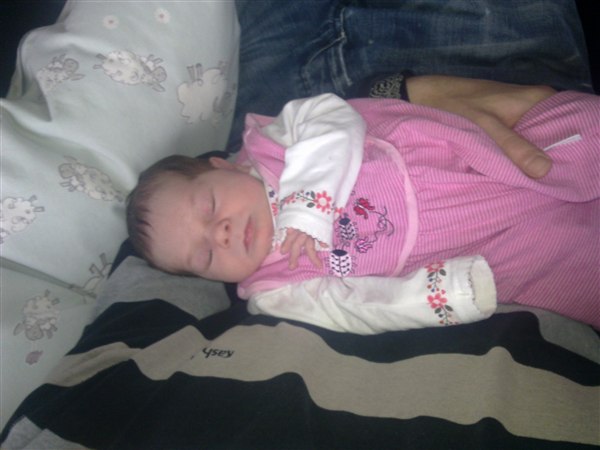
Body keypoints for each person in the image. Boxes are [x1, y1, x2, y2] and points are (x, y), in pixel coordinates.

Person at [127, 79, 599, 333]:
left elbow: (331, 116)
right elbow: (354, 309)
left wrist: (307, 209)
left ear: (221, 165)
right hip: (490, 250)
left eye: (209, 207)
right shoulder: (274, 291)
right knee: (578, 272)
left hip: (465, 160)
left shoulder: (274, 143)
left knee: (577, 138)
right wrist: (445, 295)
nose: (221, 233)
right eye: (206, 255)